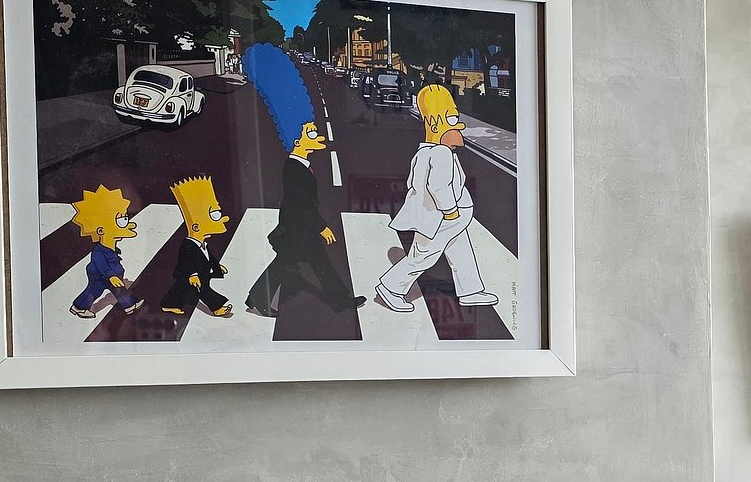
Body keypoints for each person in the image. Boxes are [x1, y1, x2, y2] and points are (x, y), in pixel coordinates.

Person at [374, 84, 497, 312]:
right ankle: (391, 288)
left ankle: (470, 291)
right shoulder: (440, 153)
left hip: (447, 218)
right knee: (423, 256)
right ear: (436, 121)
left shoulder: (424, 151)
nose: (457, 126)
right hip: (442, 218)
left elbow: (413, 183)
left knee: (460, 251)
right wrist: (450, 211)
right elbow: (439, 187)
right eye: (452, 118)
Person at [245, 123, 364, 318]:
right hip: (296, 228)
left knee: (320, 263)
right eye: (311, 133)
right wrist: (322, 226)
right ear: (297, 142)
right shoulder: (294, 169)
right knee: (285, 262)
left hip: (302, 226)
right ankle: (258, 297)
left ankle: (340, 300)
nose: (317, 135)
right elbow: (301, 204)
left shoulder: (300, 165)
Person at [158, 175, 233, 318]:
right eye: (215, 215)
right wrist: (192, 275)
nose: (224, 218)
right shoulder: (187, 246)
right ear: (196, 227)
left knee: (180, 289)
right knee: (203, 290)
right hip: (192, 275)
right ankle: (217, 307)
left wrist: (217, 266)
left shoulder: (202, 244)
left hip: (199, 274)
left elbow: (209, 258)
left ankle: (169, 304)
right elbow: (185, 262)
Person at [67, 184, 144, 318]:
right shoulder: (99, 252)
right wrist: (111, 275)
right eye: (121, 220)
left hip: (109, 275)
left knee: (118, 290)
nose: (126, 224)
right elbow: (101, 265)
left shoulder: (110, 249)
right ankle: (79, 307)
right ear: (101, 231)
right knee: (94, 291)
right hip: (99, 275)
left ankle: (130, 305)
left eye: (125, 219)